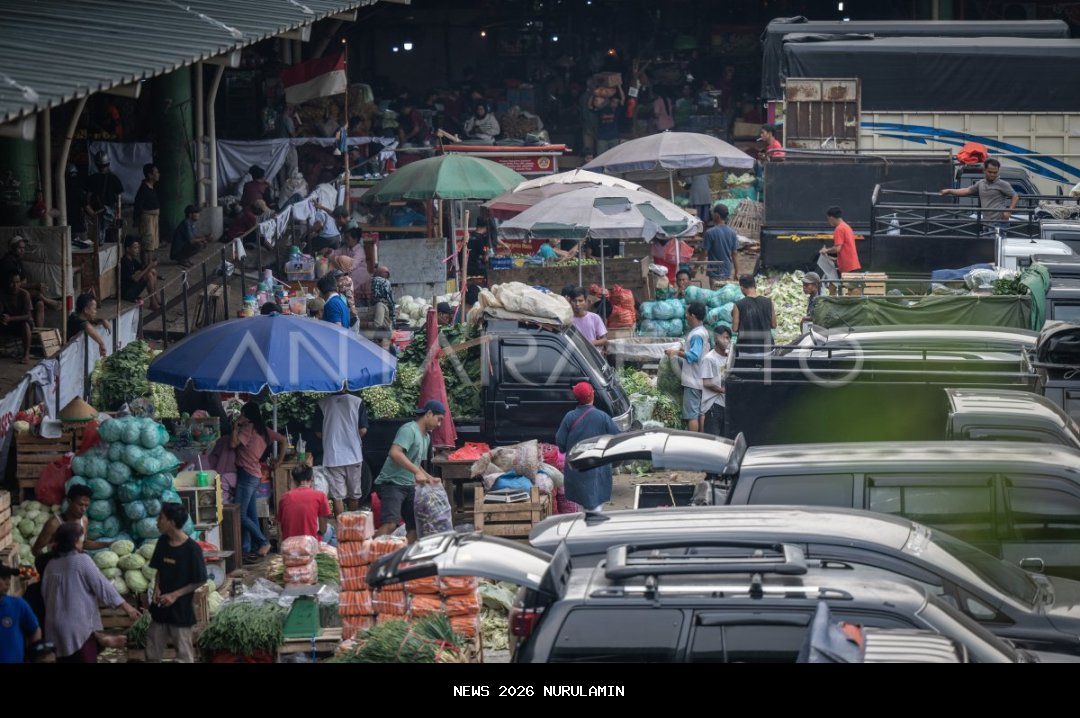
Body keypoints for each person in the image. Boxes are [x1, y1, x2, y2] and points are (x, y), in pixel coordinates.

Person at [42, 521, 141, 663]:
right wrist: (128, 607)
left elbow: (45, 594)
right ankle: (106, 641)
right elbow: (102, 586)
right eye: (82, 539)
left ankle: (105, 641)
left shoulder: (51, 565)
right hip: (77, 627)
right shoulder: (82, 560)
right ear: (76, 542)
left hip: (54, 627)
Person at [374, 400, 445, 543]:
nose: (439, 424)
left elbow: (416, 464)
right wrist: (415, 472)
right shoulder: (409, 430)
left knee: (414, 527)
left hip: (408, 485)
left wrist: (430, 478)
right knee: (391, 524)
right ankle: (365, 552)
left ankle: (407, 559)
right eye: (439, 419)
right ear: (429, 414)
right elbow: (395, 453)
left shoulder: (426, 437)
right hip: (391, 483)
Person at [146, 503, 207, 663]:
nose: (157, 521)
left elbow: (200, 579)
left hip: (180, 611)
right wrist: (157, 587)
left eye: (161, 518)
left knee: (184, 656)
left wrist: (175, 595)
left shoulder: (192, 549)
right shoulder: (162, 542)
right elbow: (159, 568)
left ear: (172, 522)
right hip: (160, 610)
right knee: (152, 653)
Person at [230, 401, 286, 563]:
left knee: (240, 515)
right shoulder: (264, 430)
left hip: (246, 475)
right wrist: (279, 461)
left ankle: (263, 541)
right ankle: (249, 548)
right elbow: (283, 440)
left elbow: (233, 443)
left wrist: (235, 426)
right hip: (255, 475)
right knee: (251, 513)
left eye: (242, 414)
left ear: (246, 416)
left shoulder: (248, 430)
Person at [556, 382, 621, 512]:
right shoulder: (602, 417)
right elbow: (617, 439)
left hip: (577, 469)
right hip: (598, 470)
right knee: (595, 506)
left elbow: (560, 442)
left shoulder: (569, 417)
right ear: (592, 396)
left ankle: (587, 527)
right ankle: (592, 528)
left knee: (582, 506)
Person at [314, 389, 369, 515]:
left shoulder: (322, 403)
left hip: (332, 457)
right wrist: (352, 438)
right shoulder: (357, 402)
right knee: (354, 494)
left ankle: (341, 529)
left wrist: (330, 437)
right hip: (353, 456)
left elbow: (318, 432)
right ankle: (352, 526)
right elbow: (363, 429)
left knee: (338, 497)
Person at [33, 483, 113, 557]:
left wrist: (108, 544)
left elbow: (84, 543)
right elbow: (36, 550)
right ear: (69, 501)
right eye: (80, 504)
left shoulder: (84, 520)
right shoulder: (54, 524)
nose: (83, 509)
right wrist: (50, 564)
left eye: (86, 506)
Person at [665, 301, 710, 432]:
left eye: (687, 313)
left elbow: (694, 356)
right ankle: (704, 439)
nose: (686, 316)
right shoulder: (703, 331)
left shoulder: (696, 334)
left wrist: (676, 352)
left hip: (693, 380)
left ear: (693, 315)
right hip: (700, 377)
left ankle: (694, 442)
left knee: (692, 416)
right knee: (701, 413)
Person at [940, 158, 1019, 227]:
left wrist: (1009, 211)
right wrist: (949, 191)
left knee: (997, 244)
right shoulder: (980, 183)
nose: (992, 174)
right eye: (990, 172)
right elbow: (966, 190)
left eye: (995, 172)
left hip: (999, 222)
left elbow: (1015, 196)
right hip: (986, 222)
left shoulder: (1003, 184)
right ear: (984, 170)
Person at [0, 236, 55, 325]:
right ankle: (49, 302)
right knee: (35, 293)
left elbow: (23, 280)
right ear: (12, 248)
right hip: (9, 293)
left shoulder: (17, 261)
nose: (22, 250)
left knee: (39, 304)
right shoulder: (7, 262)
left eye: (23, 248)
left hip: (18, 290)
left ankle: (38, 332)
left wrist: (31, 285)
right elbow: (15, 284)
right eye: (19, 248)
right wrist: (35, 285)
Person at [278, 465, 332, 542]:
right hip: (309, 543)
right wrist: (319, 534)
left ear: (293, 480)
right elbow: (323, 528)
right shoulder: (320, 496)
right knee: (331, 530)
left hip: (289, 543)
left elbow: (281, 526)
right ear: (312, 479)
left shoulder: (284, 497)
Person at [0, 565, 41, 664]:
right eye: (4, 578)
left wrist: (32, 655)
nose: (8, 583)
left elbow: (35, 630)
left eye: (9, 578)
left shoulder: (18, 605)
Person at [732, 274, 777, 357]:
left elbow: (734, 328)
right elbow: (774, 325)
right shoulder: (769, 302)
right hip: (767, 350)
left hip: (746, 351)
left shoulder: (738, 305)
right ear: (755, 286)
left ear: (742, 288)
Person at [83, 151, 124, 241]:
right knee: (111, 241)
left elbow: (87, 199)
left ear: (96, 164)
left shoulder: (91, 179)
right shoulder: (114, 179)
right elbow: (119, 199)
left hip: (96, 213)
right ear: (108, 163)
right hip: (111, 213)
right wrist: (118, 215)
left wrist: (91, 213)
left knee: (97, 241)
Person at [701, 325, 731, 437]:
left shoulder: (729, 357)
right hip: (714, 404)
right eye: (724, 337)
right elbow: (707, 382)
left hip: (725, 404)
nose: (726, 340)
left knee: (724, 439)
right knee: (712, 439)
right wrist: (723, 390)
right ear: (716, 339)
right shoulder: (709, 358)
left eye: (728, 338)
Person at [0, 272, 34, 364]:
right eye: (12, 282)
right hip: (8, 323)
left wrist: (10, 318)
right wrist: (3, 318)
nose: (15, 285)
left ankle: (26, 354)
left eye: (17, 282)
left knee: (25, 325)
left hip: (22, 322)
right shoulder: (3, 294)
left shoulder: (24, 294)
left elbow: (28, 316)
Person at [119, 237, 161, 309]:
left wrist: (150, 265)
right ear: (128, 249)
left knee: (153, 271)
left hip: (132, 289)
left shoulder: (132, 260)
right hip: (127, 293)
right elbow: (135, 278)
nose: (137, 250)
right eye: (135, 248)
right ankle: (153, 302)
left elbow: (142, 268)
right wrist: (148, 267)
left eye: (138, 248)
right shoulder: (125, 262)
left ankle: (156, 297)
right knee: (148, 275)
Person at [702, 204, 739, 285]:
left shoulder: (709, 232)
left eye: (713, 213)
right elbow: (735, 254)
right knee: (725, 295)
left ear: (717, 215)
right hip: (727, 271)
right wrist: (737, 272)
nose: (712, 215)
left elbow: (704, 252)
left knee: (715, 296)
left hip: (714, 272)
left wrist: (695, 268)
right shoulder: (732, 232)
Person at [133, 163, 161, 262]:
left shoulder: (152, 188)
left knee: (152, 245)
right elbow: (138, 206)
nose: (158, 174)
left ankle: (150, 269)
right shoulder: (144, 189)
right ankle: (145, 269)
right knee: (147, 246)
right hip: (147, 220)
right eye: (156, 172)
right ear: (150, 175)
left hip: (153, 219)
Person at [821, 206, 862, 274]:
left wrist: (826, 250)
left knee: (846, 284)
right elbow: (846, 249)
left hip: (847, 267)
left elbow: (837, 249)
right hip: (852, 265)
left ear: (831, 218)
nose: (828, 222)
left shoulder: (839, 229)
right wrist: (835, 259)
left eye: (828, 219)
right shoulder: (846, 226)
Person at [67, 293, 109, 357]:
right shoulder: (76, 319)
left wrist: (102, 320)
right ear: (86, 310)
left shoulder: (77, 315)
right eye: (94, 309)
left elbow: (91, 321)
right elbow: (87, 326)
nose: (96, 311)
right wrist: (101, 344)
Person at [336, 228, 372, 303]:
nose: (345, 240)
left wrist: (343, 265)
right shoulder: (346, 248)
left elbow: (353, 265)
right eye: (345, 238)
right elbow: (336, 253)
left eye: (347, 238)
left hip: (361, 279)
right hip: (351, 277)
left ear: (355, 239)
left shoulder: (359, 251)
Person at [371, 265, 396, 344]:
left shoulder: (373, 280)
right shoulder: (385, 282)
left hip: (382, 339)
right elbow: (390, 298)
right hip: (382, 305)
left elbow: (377, 324)